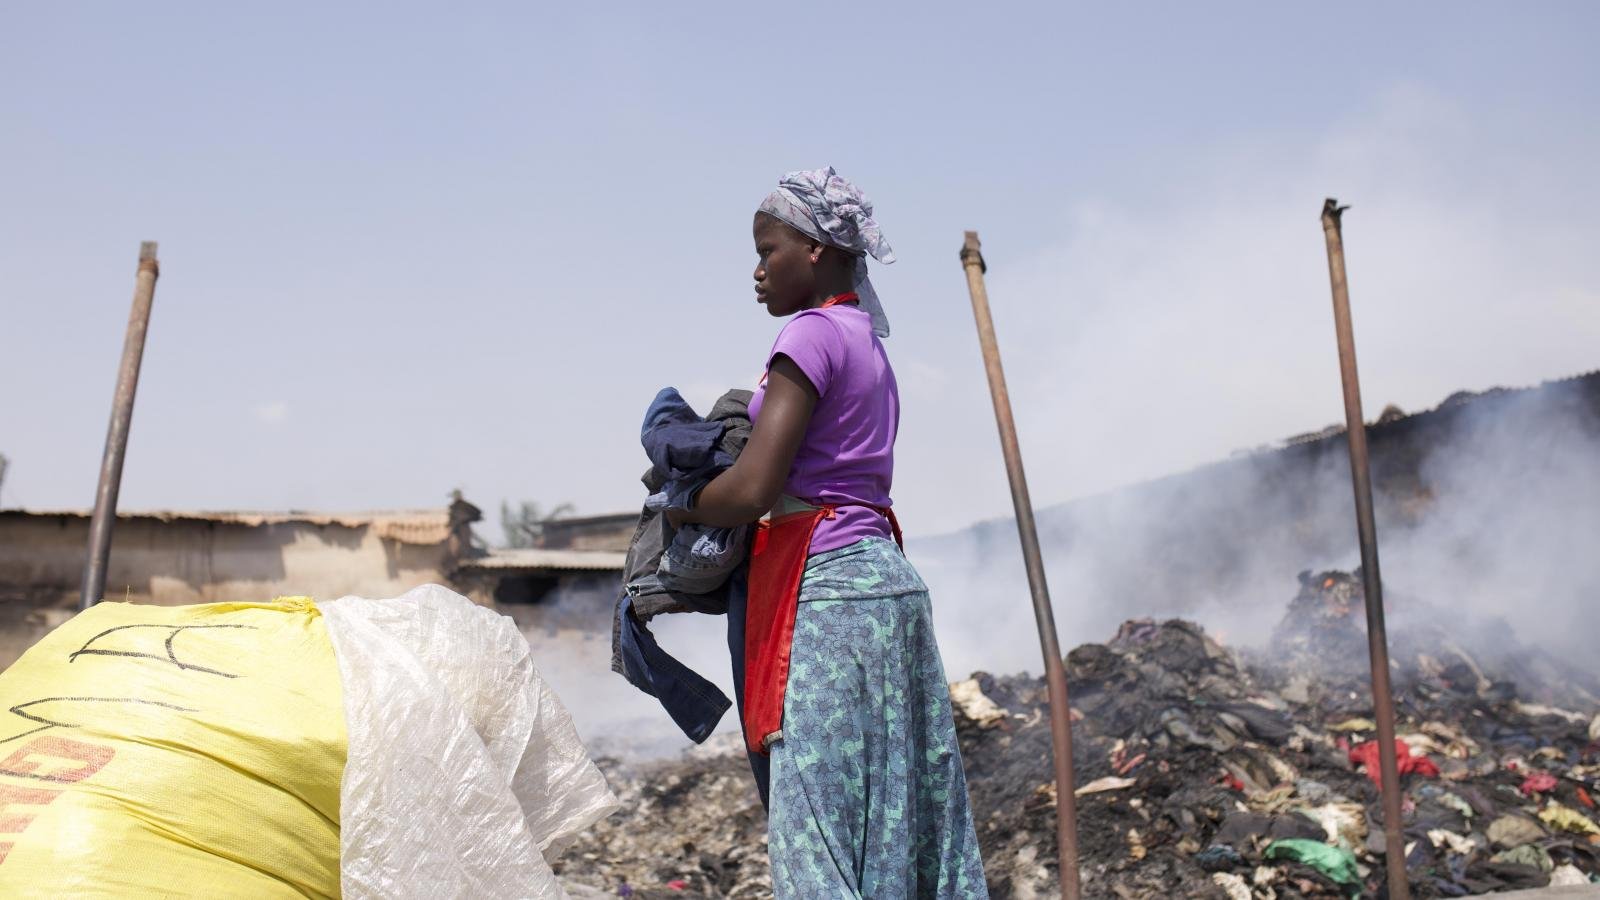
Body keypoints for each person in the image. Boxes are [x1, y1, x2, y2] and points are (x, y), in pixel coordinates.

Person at [669, 168, 989, 898]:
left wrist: (683, 508)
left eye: (768, 248)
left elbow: (751, 489)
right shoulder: (868, 344)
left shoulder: (809, 335)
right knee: (899, 821)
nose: (757, 270)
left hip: (829, 599)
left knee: (818, 831)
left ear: (814, 248)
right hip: (890, 589)